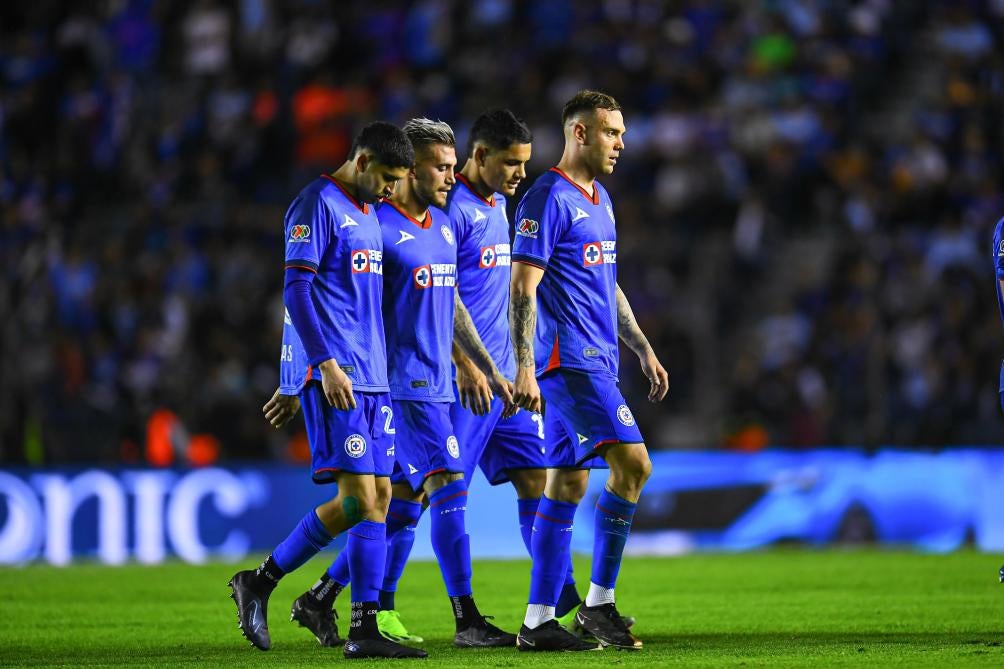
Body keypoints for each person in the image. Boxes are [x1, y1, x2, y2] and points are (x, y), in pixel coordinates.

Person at [277, 118, 518, 650]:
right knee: (445, 488)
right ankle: (463, 619)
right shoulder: (372, 224)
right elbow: (317, 296)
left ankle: (324, 595)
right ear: (407, 170)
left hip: (427, 382)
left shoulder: (443, 224)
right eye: (439, 167)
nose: (450, 178)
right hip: (392, 384)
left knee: (399, 504)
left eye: (454, 167)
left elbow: (447, 303)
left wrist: (481, 362)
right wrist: (297, 375)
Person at [228, 121, 427, 659]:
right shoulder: (316, 203)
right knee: (365, 499)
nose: (391, 190)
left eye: (398, 181)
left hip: (375, 377)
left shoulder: (368, 212)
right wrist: (314, 369)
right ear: (361, 161)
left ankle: (262, 582)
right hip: (336, 379)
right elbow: (296, 290)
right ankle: (363, 630)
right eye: (386, 178)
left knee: (374, 499)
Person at [509, 90, 669, 651]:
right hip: (568, 361)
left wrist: (641, 346)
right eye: (611, 133)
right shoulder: (546, 197)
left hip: (598, 358)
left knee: (568, 484)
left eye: (622, 133)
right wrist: (525, 368)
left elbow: (608, 284)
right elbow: (523, 285)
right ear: (579, 133)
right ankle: (597, 605)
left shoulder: (599, 199)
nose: (621, 144)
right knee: (635, 464)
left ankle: (537, 619)